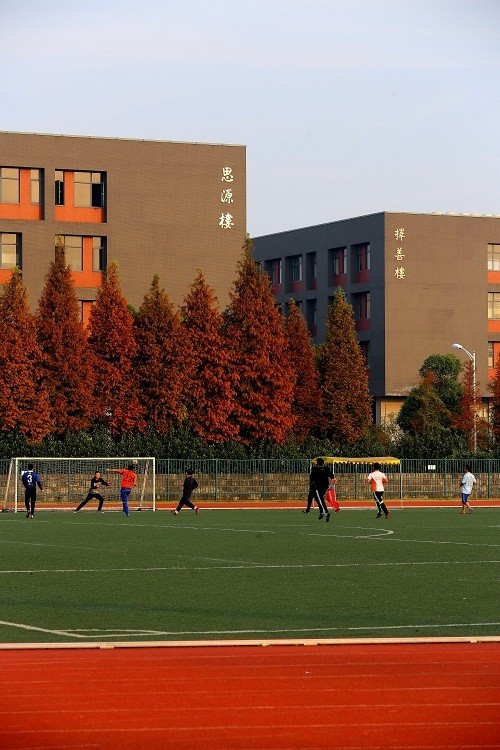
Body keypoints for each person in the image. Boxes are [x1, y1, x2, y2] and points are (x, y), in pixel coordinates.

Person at [307, 458, 333, 522]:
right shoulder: (326, 469)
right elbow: (332, 477)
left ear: (317, 463)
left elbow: (311, 480)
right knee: (319, 500)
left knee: (320, 501)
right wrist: (329, 485)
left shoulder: (314, 470)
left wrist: (311, 485)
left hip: (317, 488)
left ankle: (326, 513)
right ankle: (321, 513)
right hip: (324, 488)